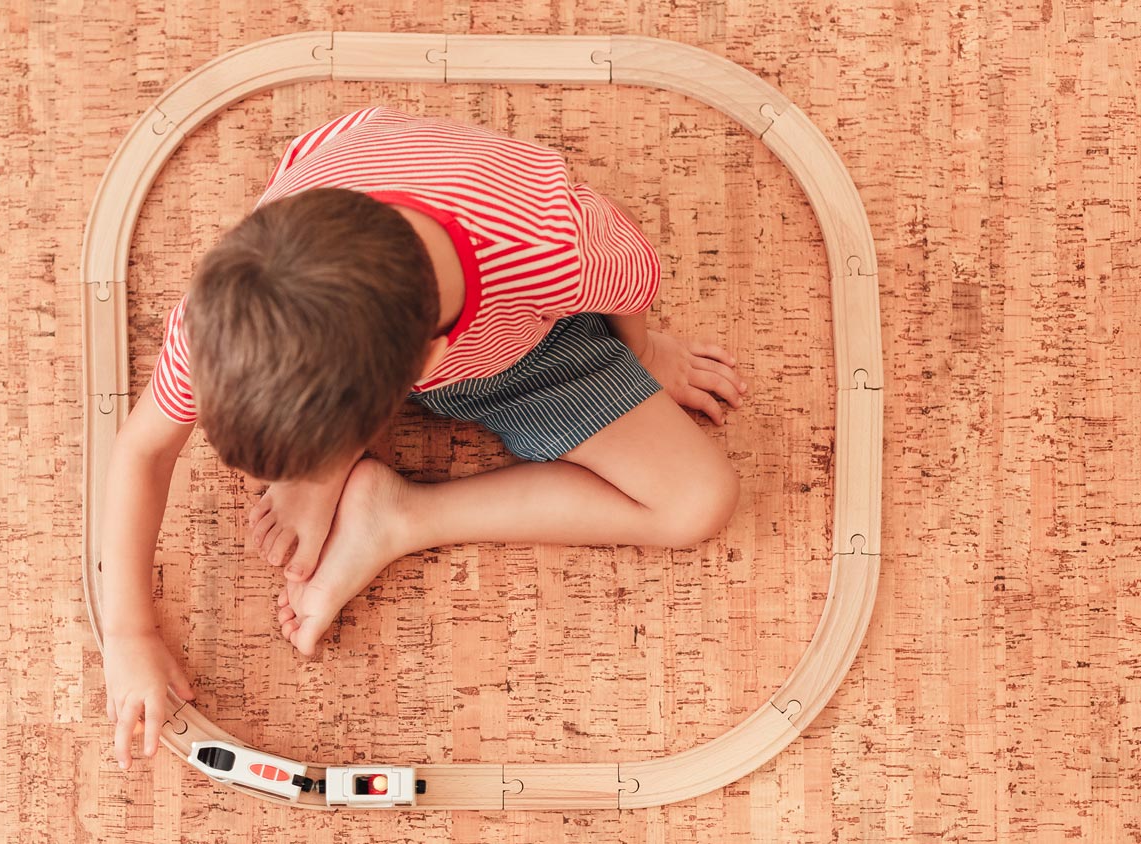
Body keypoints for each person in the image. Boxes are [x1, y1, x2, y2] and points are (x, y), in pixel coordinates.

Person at [99, 107, 748, 768]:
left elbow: (628, 272)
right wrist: (127, 633)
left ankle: (403, 515)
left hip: (522, 343)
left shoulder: (549, 248)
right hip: (386, 309)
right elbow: (143, 448)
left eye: (323, 456)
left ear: (424, 369)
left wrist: (642, 356)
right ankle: (333, 463)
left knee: (699, 499)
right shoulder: (225, 318)